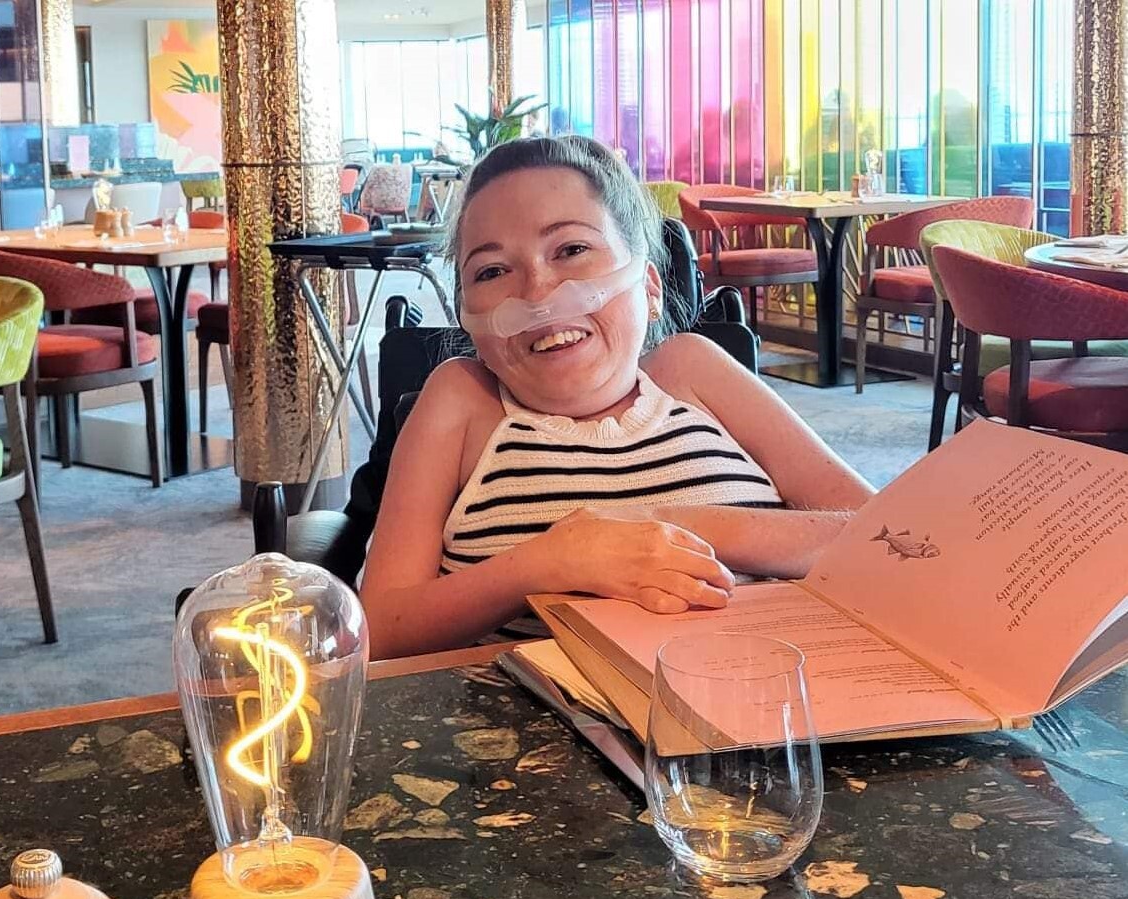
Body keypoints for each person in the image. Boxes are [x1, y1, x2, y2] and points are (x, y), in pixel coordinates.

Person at [360, 136, 873, 659]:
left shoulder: (691, 371)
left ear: (649, 287)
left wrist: (673, 526)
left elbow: (896, 539)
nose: (537, 293)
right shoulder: (464, 400)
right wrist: (550, 562)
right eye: (492, 271)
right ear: (471, 318)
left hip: (768, 697)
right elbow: (379, 629)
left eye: (571, 250)